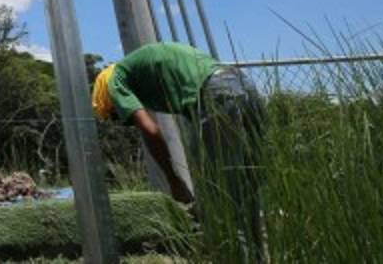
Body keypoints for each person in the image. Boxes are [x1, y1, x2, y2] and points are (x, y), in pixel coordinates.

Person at [92, 41, 266, 261]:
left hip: (217, 95)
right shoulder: (138, 67)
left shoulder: (112, 80)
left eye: (115, 113)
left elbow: (150, 130)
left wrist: (174, 181)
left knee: (220, 198)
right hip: (242, 86)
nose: (122, 118)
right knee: (246, 192)